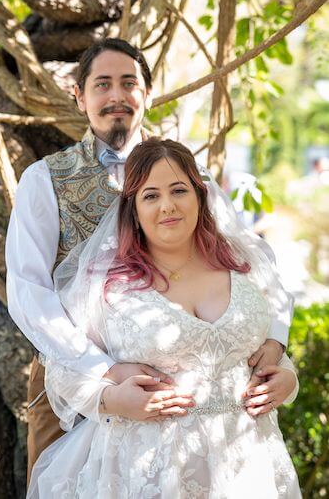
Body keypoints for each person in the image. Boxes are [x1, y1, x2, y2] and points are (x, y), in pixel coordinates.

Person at [5, 38, 295, 483]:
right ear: (80, 97)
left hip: (201, 411)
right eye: (102, 85)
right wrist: (103, 373)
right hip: (73, 384)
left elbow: (250, 265)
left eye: (129, 83)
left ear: (148, 94)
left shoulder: (189, 176)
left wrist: (274, 345)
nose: (117, 96)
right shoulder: (44, 180)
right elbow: (29, 293)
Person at [27, 138, 301, 498]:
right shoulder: (105, 288)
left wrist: (287, 381)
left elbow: (269, 352)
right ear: (134, 210)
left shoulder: (244, 268)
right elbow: (64, 371)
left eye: (178, 190)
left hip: (247, 467)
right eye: (151, 195)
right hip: (146, 471)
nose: (168, 206)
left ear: (200, 197)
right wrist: (112, 401)